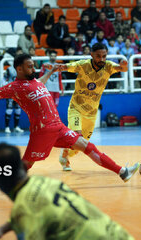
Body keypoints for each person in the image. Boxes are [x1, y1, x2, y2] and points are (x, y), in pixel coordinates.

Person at [0, 54, 139, 182]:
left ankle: (122, 171)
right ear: (19, 69)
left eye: (33, 66)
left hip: (59, 128)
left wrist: (49, 72)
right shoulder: (15, 87)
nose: (32, 69)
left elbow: (40, 80)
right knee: (25, 166)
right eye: (29, 67)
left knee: (88, 146)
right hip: (42, 131)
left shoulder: (36, 81)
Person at [0, 143, 135, 240]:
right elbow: (34, 210)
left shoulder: (24, 206)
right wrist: (2, 229)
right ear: (25, 167)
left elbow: (27, 213)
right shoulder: (46, 181)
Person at [51, 43, 129, 171]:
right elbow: (65, 67)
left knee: (81, 145)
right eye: (98, 56)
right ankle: (64, 153)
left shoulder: (109, 67)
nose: (102, 59)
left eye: (104, 56)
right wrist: (57, 67)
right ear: (91, 55)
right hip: (76, 108)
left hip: (92, 113)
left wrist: (124, 65)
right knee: (77, 136)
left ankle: (65, 154)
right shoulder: (83, 65)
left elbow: (123, 69)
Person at [3, 59, 24, 134]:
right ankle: (7, 127)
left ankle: (16, 126)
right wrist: (6, 88)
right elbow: (4, 79)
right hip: (11, 92)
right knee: (9, 108)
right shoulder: (9, 69)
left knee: (18, 109)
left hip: (19, 92)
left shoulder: (21, 69)